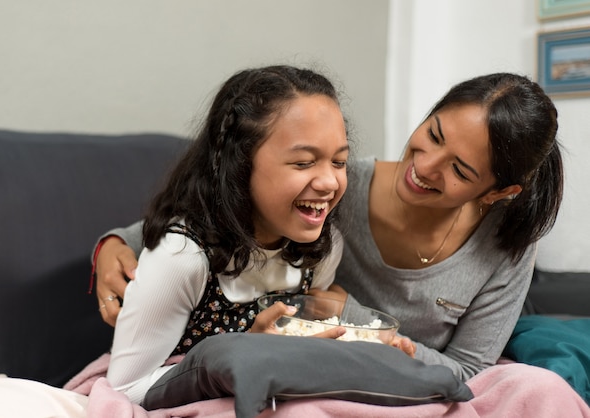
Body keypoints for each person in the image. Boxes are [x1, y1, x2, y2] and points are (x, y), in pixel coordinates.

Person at [93, 72, 563, 382]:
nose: (424, 166)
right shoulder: (340, 185)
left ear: (498, 193)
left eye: (460, 170)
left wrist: (351, 316)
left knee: (536, 386)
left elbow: (467, 372)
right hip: (300, 365)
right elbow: (208, 217)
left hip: (399, 373)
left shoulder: (507, 247)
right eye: (433, 133)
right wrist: (113, 245)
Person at [101, 64, 356, 405]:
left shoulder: (322, 247)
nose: (328, 182)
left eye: (338, 162)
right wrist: (240, 354)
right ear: (241, 165)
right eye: (303, 163)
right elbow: (123, 391)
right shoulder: (182, 258)